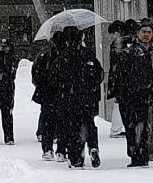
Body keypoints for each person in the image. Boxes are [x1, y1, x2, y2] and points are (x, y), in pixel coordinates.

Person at [54, 26, 103, 168]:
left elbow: (53, 78)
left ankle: (76, 156)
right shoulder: (88, 55)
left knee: (72, 128)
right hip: (87, 97)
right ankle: (93, 146)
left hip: (68, 98)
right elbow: (99, 74)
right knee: (89, 123)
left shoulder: (62, 58)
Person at [107, 19, 151, 167]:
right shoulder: (128, 50)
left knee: (141, 125)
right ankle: (137, 154)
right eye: (143, 31)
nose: (146, 34)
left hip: (143, 94)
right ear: (137, 33)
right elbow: (118, 71)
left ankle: (140, 154)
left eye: (149, 32)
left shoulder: (140, 51)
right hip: (130, 94)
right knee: (132, 125)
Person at [31, 40, 63, 160]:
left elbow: (35, 73)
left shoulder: (44, 55)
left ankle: (47, 149)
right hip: (61, 94)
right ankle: (61, 150)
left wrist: (41, 85)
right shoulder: (64, 56)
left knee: (47, 121)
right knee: (62, 121)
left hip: (47, 94)